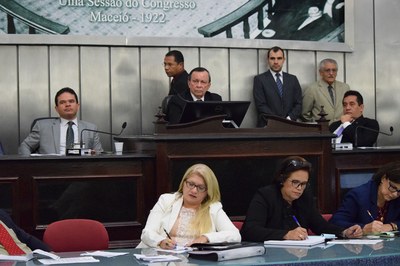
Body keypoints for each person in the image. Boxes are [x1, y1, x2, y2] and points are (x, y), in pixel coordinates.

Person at [241, 156, 362, 241]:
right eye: (295, 182)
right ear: (282, 179)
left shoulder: (305, 198)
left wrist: (344, 232)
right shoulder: (265, 196)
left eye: (303, 184)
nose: (299, 188)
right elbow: (250, 231)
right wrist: (285, 235)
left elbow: (321, 226)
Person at [136, 163, 241, 249]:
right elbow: (147, 233)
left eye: (200, 187)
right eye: (191, 184)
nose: (194, 190)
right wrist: (160, 241)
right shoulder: (166, 200)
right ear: (183, 183)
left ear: (208, 192)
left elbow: (235, 235)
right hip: (159, 259)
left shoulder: (213, 208)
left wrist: (206, 238)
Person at [19, 87, 103, 155]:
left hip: (81, 170)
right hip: (51, 171)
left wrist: (95, 154)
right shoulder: (42, 126)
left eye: (71, 101)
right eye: (62, 102)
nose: (67, 105)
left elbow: (99, 153)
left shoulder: (91, 128)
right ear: (56, 108)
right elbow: (25, 146)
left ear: (77, 106)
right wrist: (31, 166)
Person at [330, 161, 400, 234]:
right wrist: (363, 228)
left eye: (399, 191)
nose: (395, 194)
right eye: (393, 187)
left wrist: (392, 226)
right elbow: (335, 222)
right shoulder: (358, 195)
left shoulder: (398, 197)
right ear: (383, 178)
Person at [253, 46, 302, 127]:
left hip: (290, 126)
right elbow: (261, 105)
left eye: (279, 58)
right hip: (268, 127)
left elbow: (298, 104)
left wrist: (288, 120)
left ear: (283, 60)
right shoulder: (259, 80)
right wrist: (278, 121)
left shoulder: (293, 79)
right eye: (272, 58)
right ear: (268, 60)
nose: (276, 62)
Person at [302, 58, 350, 124]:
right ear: (321, 72)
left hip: (342, 129)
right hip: (322, 131)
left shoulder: (345, 88)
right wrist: (316, 125)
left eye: (334, 70)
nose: (331, 73)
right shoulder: (312, 89)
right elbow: (304, 114)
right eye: (327, 70)